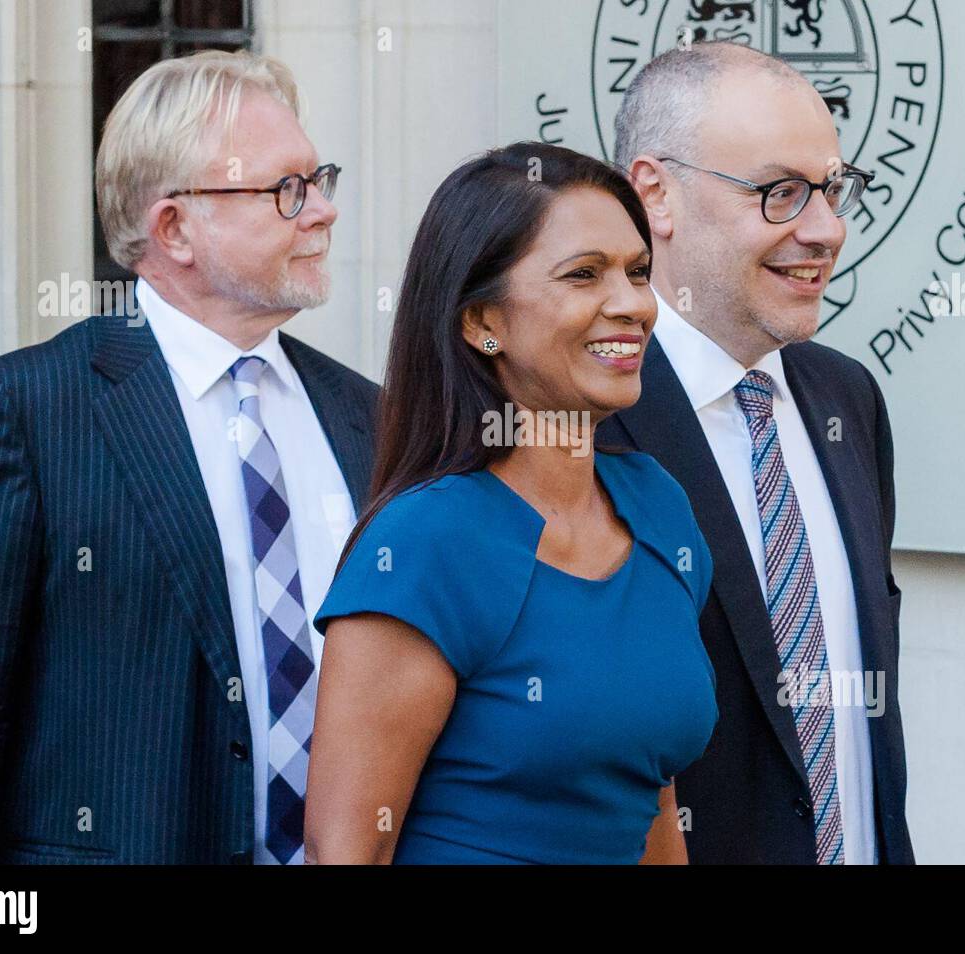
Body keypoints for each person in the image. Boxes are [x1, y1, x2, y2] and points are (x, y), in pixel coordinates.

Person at [0, 50, 377, 865]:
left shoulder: (366, 414)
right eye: (285, 188)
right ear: (174, 228)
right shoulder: (30, 412)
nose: (321, 210)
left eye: (319, 178)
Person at [303, 142, 718, 864]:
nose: (631, 305)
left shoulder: (659, 506)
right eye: (584, 275)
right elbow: (347, 852)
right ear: (480, 322)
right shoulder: (427, 543)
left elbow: (649, 795)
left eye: (638, 271)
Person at [599, 42, 915, 864]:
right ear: (654, 194)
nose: (827, 230)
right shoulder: (582, 424)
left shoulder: (848, 400)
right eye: (781, 193)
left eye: (834, 190)